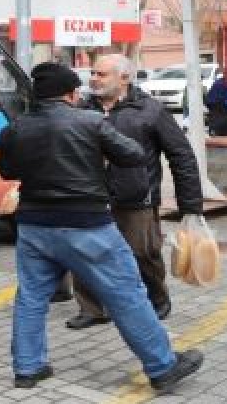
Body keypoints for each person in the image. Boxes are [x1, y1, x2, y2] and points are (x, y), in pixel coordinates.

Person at [0, 62, 203, 393]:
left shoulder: (15, 128)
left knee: (32, 296)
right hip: (87, 225)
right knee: (125, 293)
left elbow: (7, 171)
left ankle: (28, 368)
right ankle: (162, 366)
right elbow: (134, 154)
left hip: (34, 225)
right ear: (69, 94)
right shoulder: (91, 122)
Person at [68, 54, 203, 329]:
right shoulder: (81, 109)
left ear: (125, 77)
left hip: (136, 199)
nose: (93, 78)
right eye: (93, 73)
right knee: (85, 254)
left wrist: (190, 206)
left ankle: (157, 300)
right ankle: (93, 309)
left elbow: (181, 156)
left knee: (143, 254)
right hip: (90, 198)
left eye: (101, 74)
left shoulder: (150, 110)